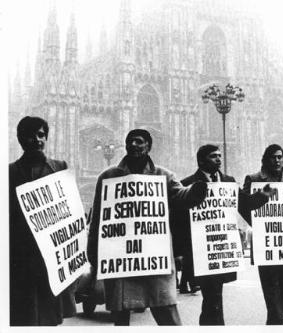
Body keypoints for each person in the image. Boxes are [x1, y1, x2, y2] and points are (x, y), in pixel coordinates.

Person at [87, 129, 208, 326]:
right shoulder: (108, 176)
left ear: (148, 146)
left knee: (167, 313)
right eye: (130, 141)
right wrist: (93, 251)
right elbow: (98, 219)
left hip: (154, 258)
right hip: (121, 260)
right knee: (121, 317)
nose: (134, 145)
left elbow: (181, 196)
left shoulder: (164, 175)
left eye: (139, 141)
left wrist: (196, 192)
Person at [173, 144, 273, 325]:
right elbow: (178, 220)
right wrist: (180, 251)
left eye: (219, 156)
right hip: (200, 251)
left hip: (220, 249)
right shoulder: (188, 183)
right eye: (213, 156)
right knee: (212, 297)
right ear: (201, 160)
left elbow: (245, 204)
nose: (218, 159)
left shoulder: (228, 182)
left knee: (214, 298)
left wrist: (263, 196)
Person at [9, 116, 77, 326]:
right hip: (21, 256)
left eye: (41, 135)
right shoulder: (9, 172)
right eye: (30, 135)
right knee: (23, 315)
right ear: (21, 139)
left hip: (51, 258)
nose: (37, 140)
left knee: (49, 316)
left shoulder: (59, 167)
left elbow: (71, 214)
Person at [243, 144, 283, 325]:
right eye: (273, 157)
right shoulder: (254, 179)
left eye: (280, 157)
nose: (277, 160)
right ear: (266, 159)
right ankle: (278, 319)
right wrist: (258, 224)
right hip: (265, 240)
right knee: (270, 283)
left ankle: (276, 318)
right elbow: (244, 206)